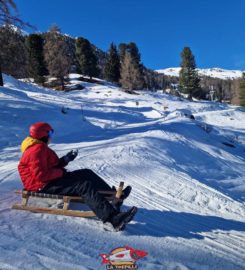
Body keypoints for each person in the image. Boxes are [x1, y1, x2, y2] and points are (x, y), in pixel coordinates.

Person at [18, 122, 137, 230]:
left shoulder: (40, 147)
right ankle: (113, 219)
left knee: (86, 173)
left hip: (50, 181)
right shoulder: (36, 150)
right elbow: (41, 175)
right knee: (83, 186)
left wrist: (66, 159)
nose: (51, 136)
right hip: (42, 186)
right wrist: (61, 172)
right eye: (50, 133)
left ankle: (112, 196)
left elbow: (51, 165)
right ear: (43, 135)